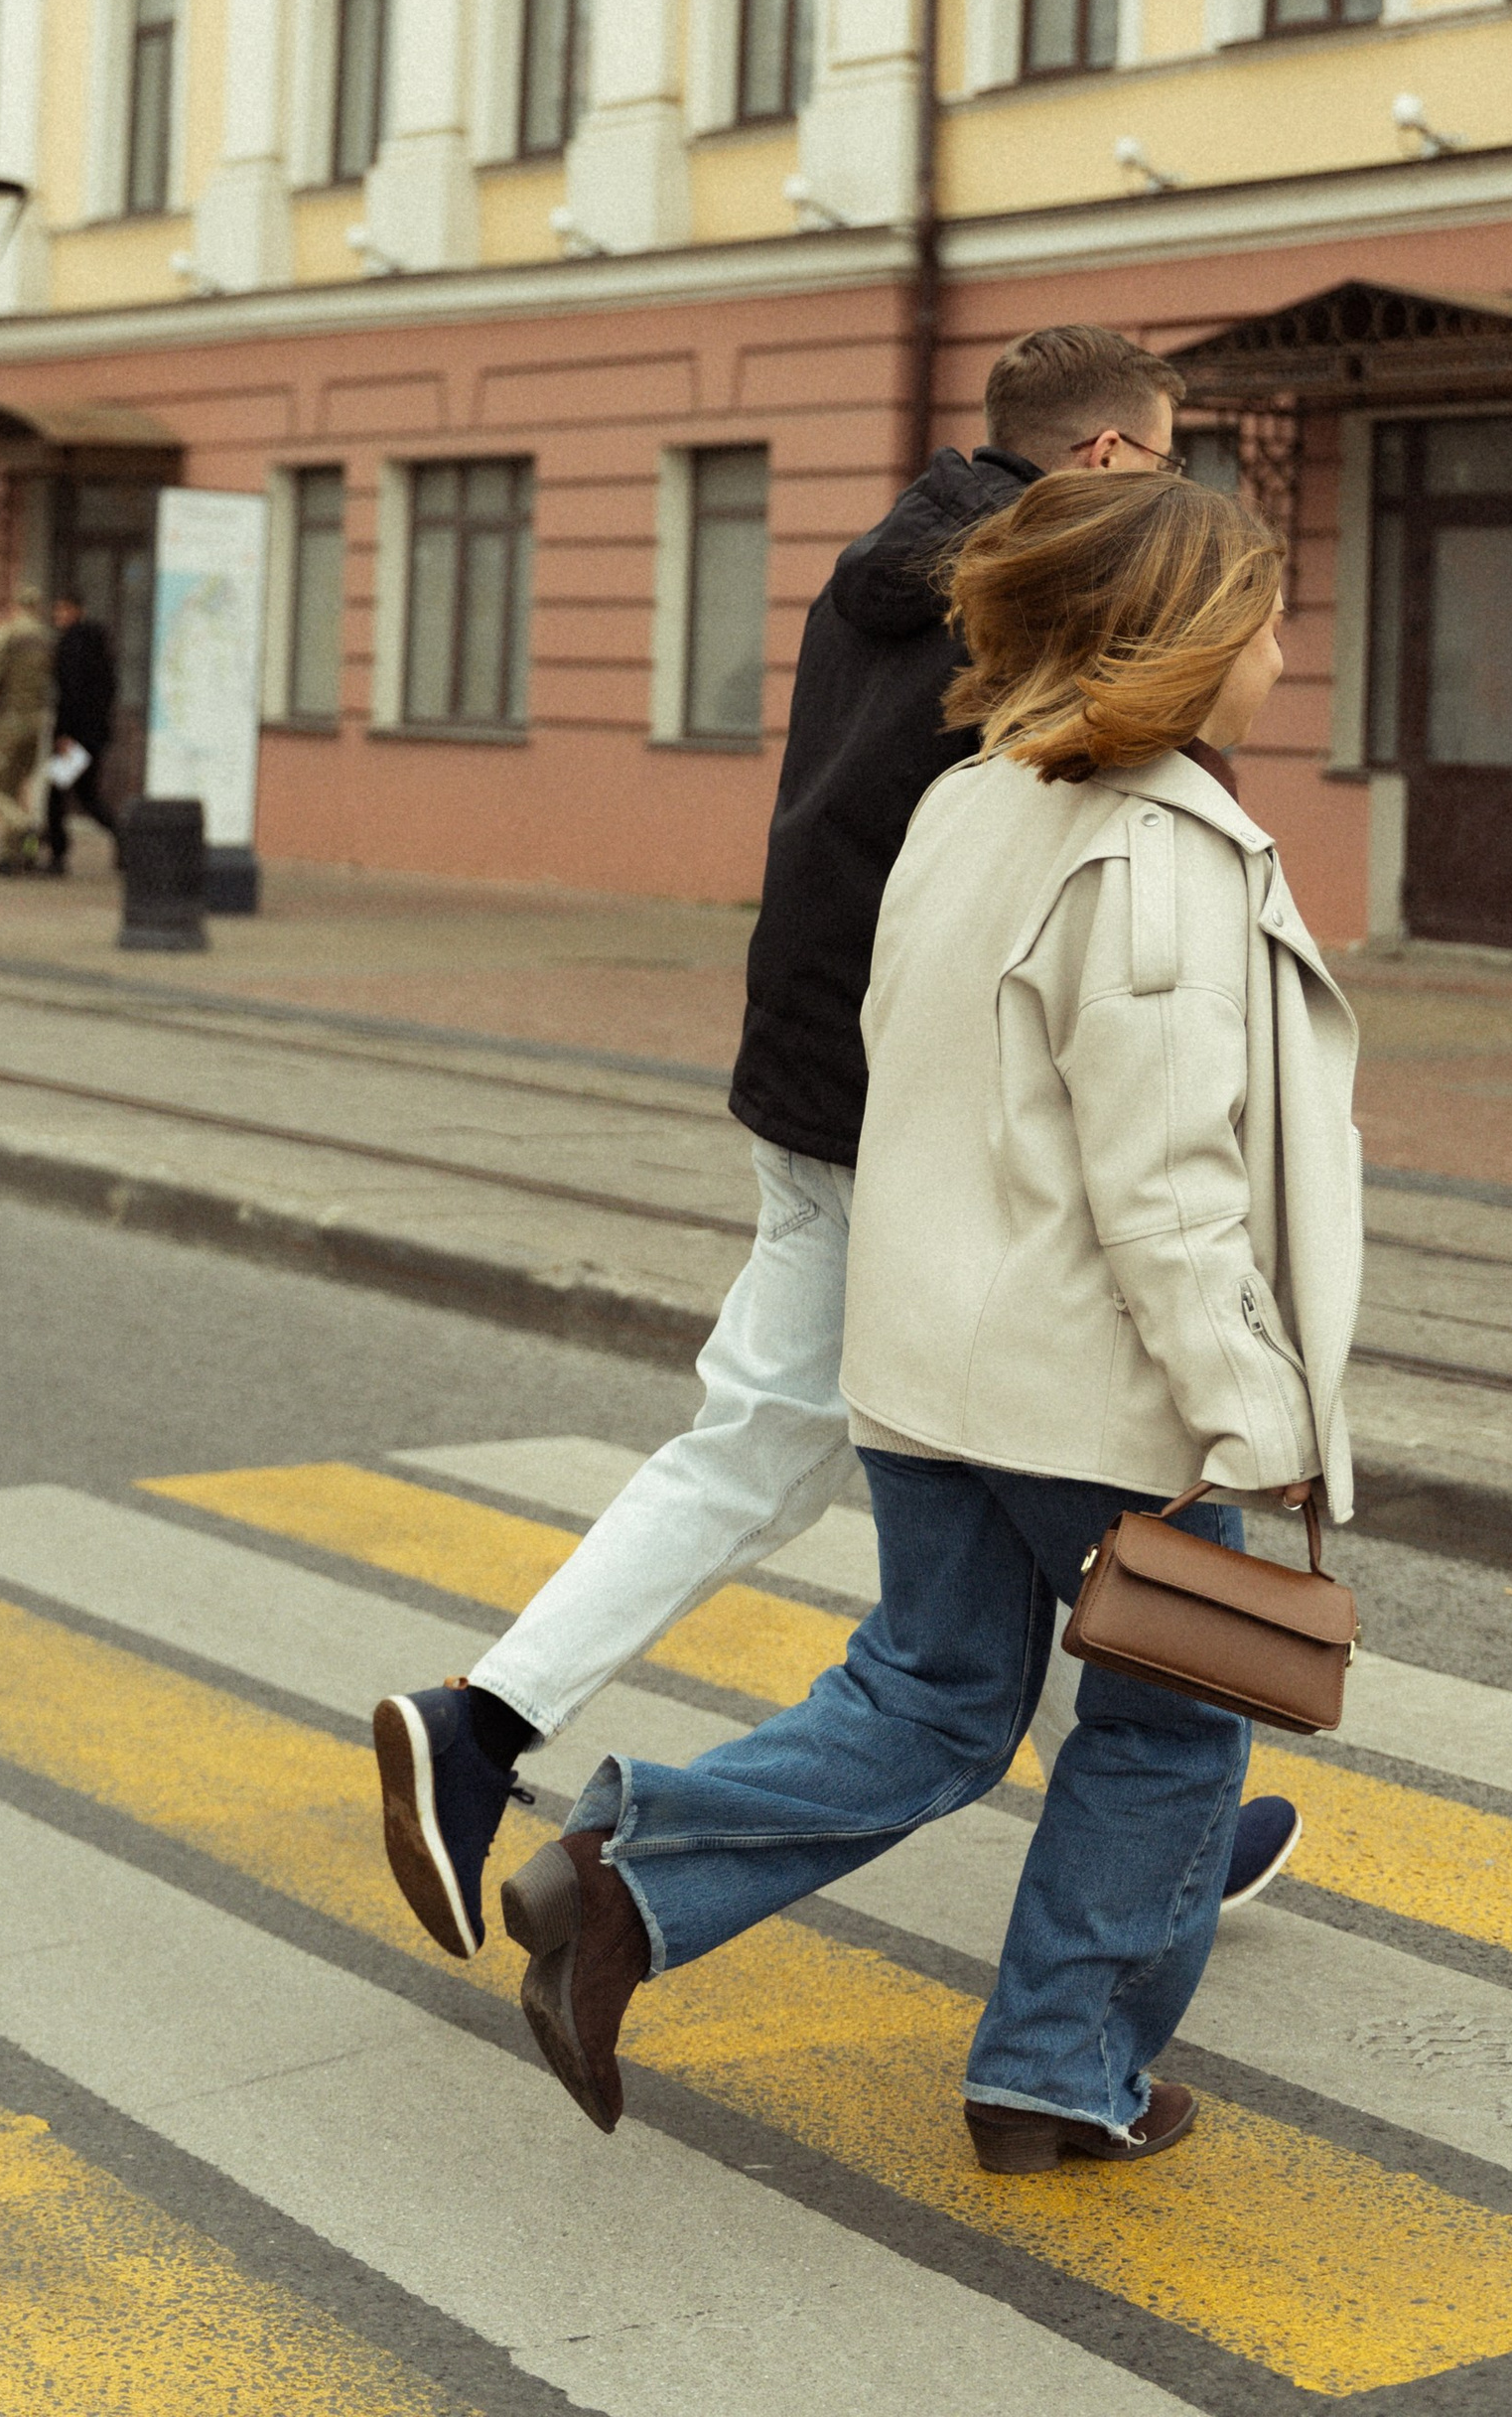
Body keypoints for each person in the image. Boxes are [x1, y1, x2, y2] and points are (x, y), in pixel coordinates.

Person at [372, 327, 1296, 1951]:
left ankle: (1168, 1824)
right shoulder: (1043, 592)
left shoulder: (880, 563)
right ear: (1099, 462)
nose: (1176, 509)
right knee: (1072, 1481)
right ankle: (498, 1732)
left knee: (826, 1451)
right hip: (929, 1114)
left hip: (817, 1069)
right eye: (1162, 463)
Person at [504, 470, 1361, 2167]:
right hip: (1094, 1386)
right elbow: (1169, 1180)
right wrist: (1249, 1417)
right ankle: (1059, 2067)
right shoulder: (1161, 843)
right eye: (1262, 609)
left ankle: (622, 1878)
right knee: (1178, 1718)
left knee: (937, 1694)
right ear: (1178, 636)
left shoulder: (970, 802)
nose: (1283, 641)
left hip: (926, 1367)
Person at [0, 584, 56, 876]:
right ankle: (21, 856)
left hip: (11, 720)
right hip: (41, 723)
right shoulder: (49, 639)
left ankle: (25, 830)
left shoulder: (5, 634)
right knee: (24, 791)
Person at [42, 592, 121, 874]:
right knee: (87, 795)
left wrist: (65, 734)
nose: (58, 616)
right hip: (94, 734)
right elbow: (109, 690)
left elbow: (71, 695)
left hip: (75, 737)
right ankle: (126, 840)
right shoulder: (99, 646)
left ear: (77, 611)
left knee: (56, 795)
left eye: (63, 610)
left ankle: (57, 857)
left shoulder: (72, 645)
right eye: (57, 611)